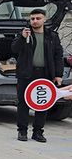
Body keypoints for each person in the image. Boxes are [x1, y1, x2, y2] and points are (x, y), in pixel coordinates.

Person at [11, 8, 63, 143]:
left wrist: (58, 74)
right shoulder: (24, 34)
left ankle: (38, 132)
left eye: (38, 18)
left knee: (42, 103)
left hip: (45, 74)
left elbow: (58, 56)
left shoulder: (52, 36)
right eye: (32, 19)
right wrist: (22, 38)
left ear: (44, 19)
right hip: (26, 73)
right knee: (23, 103)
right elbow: (14, 49)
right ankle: (22, 131)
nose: (35, 21)